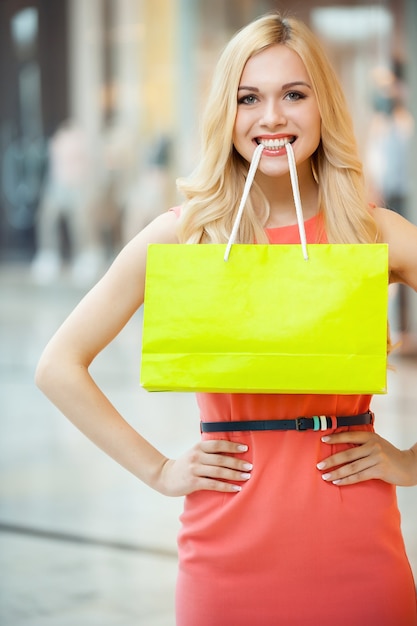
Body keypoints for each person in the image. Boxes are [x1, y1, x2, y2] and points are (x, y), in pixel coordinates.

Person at [35, 12, 417, 626]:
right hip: (224, 556)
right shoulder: (187, 235)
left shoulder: (372, 235)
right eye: (249, 98)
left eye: (294, 94)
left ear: (324, 107)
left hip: (357, 552)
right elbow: (58, 366)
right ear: (226, 112)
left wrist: (413, 461)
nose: (271, 117)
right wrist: (158, 470)